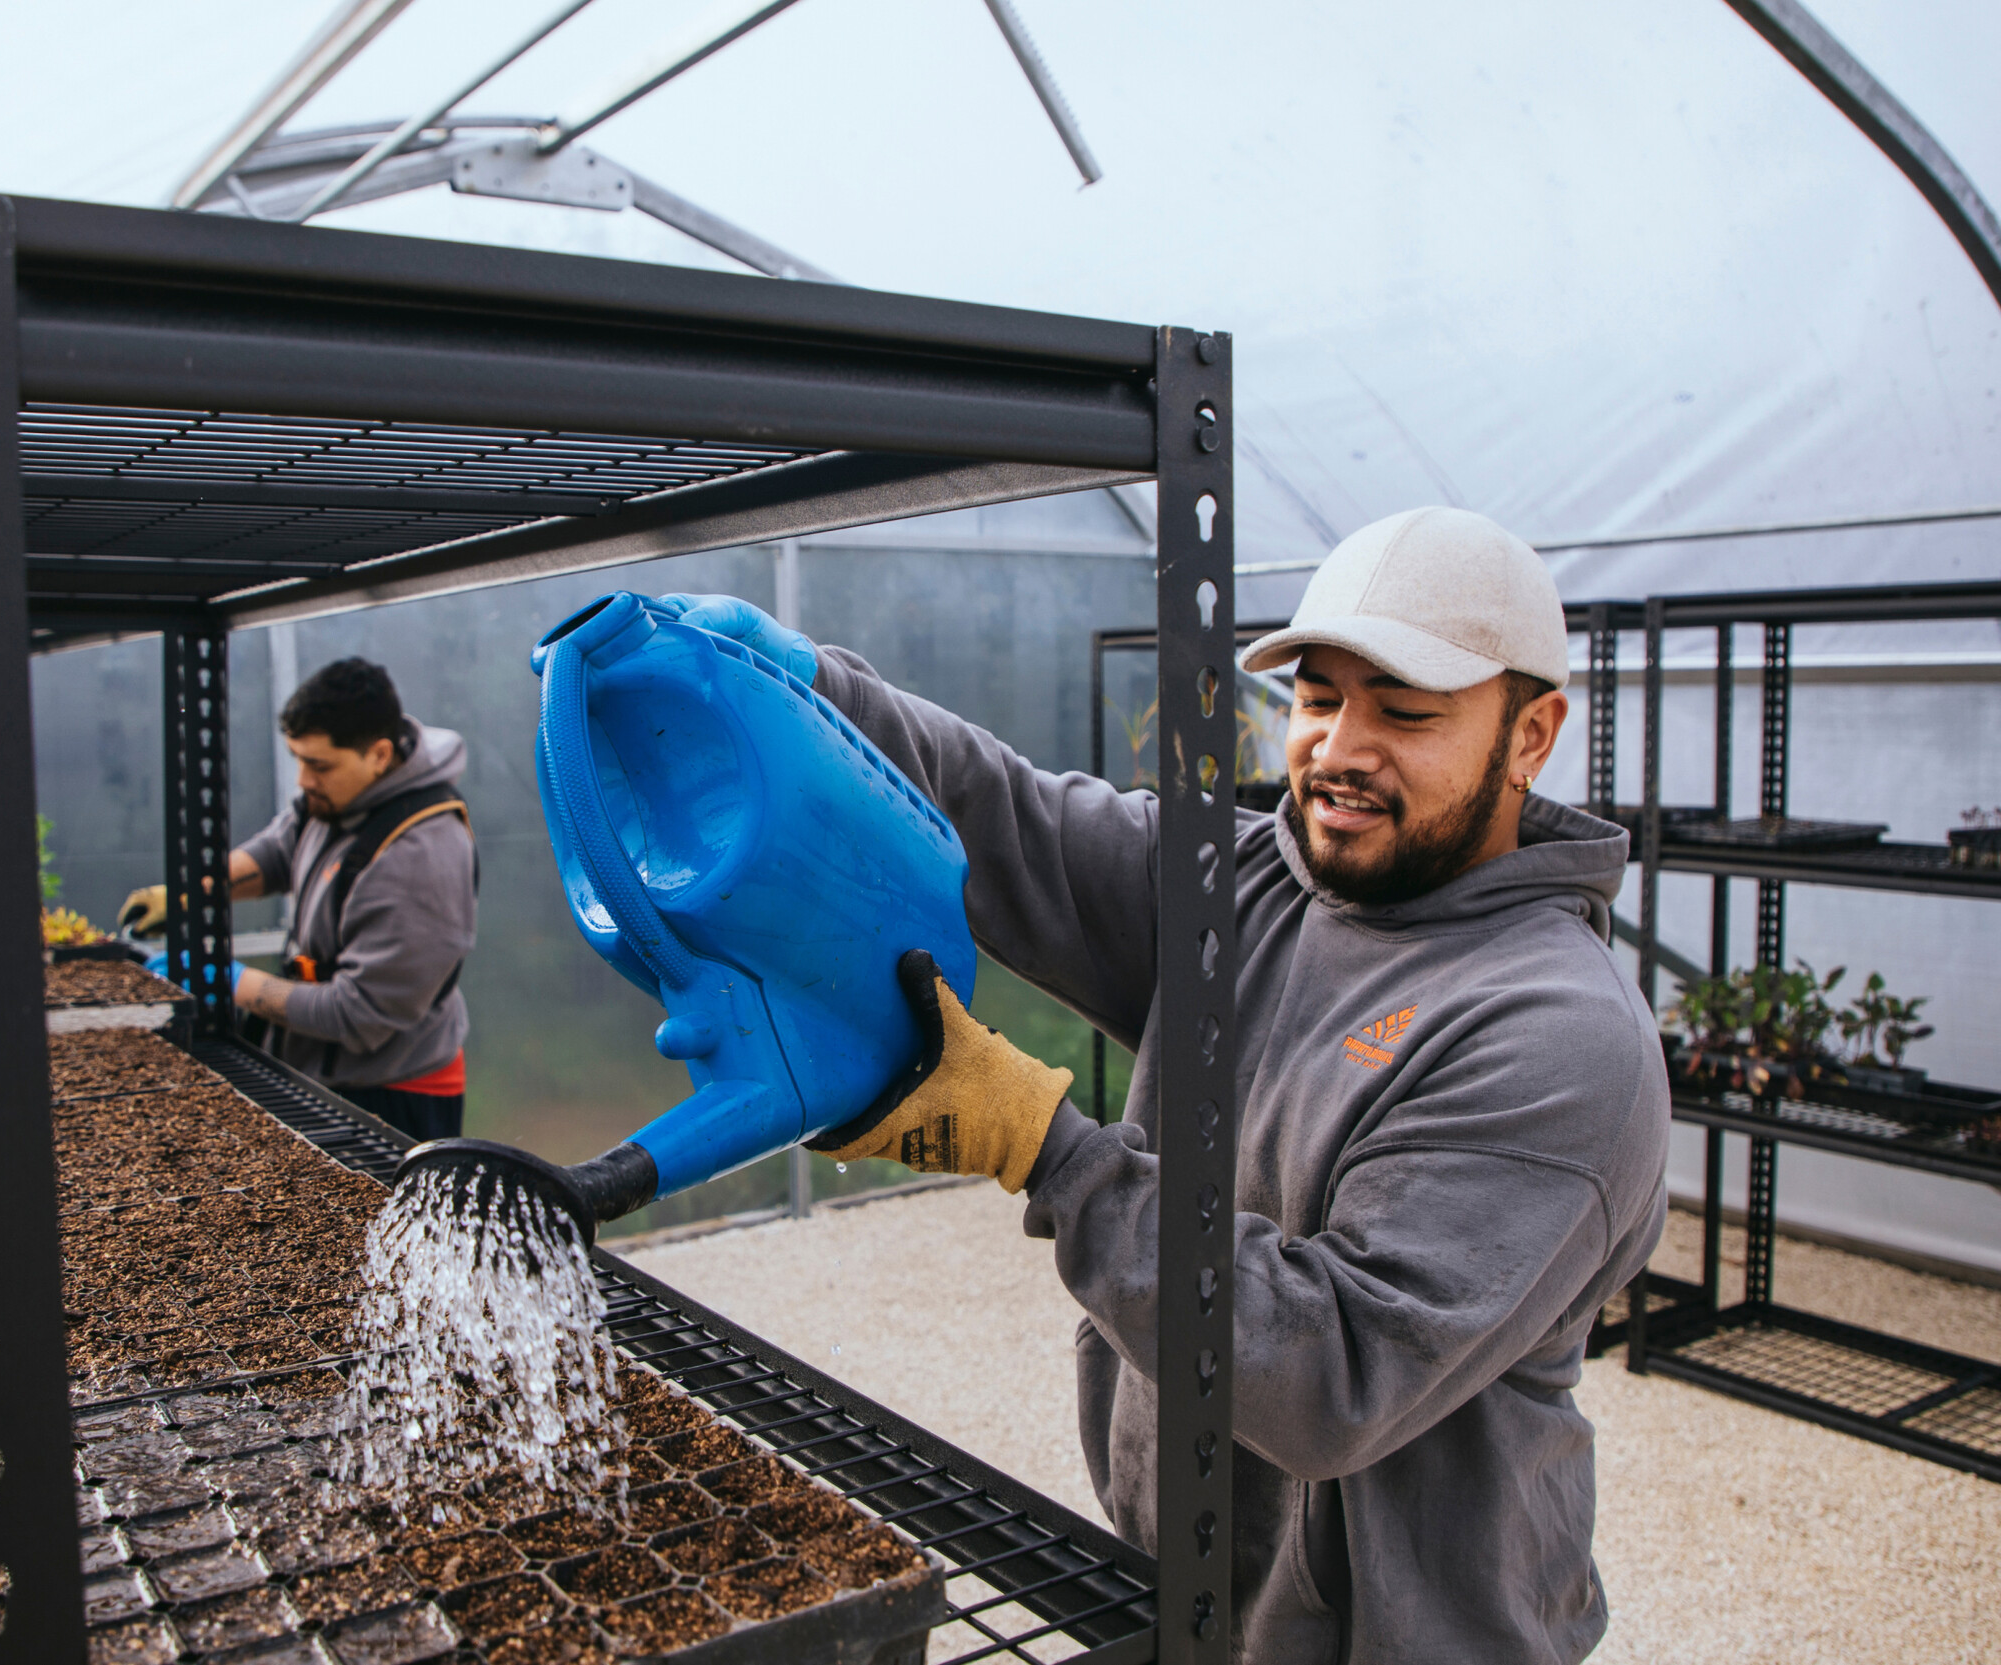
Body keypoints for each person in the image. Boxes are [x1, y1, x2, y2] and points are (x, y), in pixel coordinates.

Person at [660, 506, 1671, 1664]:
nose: (1340, 748)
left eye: (1405, 712)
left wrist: (1044, 1149)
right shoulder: (1242, 884)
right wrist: (812, 691)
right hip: (1178, 1584)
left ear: (1530, 734)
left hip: (1404, 1635)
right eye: (1318, 697)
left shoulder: (1555, 1035)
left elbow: (1331, 1371)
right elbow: (1005, 819)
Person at [122, 657, 477, 1141]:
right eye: (298, 760)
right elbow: (279, 850)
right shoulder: (341, 794)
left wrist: (228, 980)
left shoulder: (420, 859)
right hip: (322, 1070)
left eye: (318, 765)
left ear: (378, 754)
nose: (303, 780)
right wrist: (190, 894)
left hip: (392, 1094)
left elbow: (357, 1013)